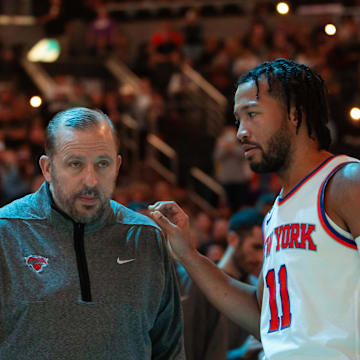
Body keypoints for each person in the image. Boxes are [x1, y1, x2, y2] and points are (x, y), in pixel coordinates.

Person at [149, 58, 360, 359]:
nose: (240, 132)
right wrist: (188, 254)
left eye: (252, 114)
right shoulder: (276, 214)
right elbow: (264, 318)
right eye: (238, 119)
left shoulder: (347, 182)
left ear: (294, 114)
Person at [0, 107, 185, 359]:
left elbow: (170, 349)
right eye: (75, 164)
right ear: (47, 168)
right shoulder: (6, 231)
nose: (91, 180)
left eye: (102, 164)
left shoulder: (145, 236)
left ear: (117, 166)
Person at [177, 208, 264, 360]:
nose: (261, 258)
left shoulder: (257, 287)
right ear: (233, 239)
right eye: (256, 247)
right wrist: (241, 353)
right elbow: (188, 350)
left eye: (265, 249)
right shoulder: (197, 284)